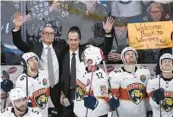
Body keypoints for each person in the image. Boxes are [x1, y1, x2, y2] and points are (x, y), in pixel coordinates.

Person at [12, 12, 66, 108]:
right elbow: (19, 43)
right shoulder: (34, 46)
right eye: (46, 33)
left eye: (51, 33)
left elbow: (74, 46)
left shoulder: (60, 47)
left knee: (57, 112)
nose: (49, 35)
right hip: (39, 89)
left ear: (54, 35)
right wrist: (17, 28)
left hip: (56, 89)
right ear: (42, 35)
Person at [73, 45, 117, 117]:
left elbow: (105, 96)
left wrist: (96, 103)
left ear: (93, 60)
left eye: (86, 58)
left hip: (94, 114)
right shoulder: (80, 67)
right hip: (78, 111)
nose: (83, 59)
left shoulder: (101, 77)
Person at [109, 47, 151, 117]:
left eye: (133, 54)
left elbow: (149, 92)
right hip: (123, 113)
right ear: (122, 58)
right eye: (128, 54)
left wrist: (150, 109)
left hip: (142, 113)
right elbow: (112, 93)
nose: (131, 55)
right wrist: (111, 98)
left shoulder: (145, 72)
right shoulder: (115, 74)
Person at [15, 52, 56, 117]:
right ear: (25, 64)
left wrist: (51, 107)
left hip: (45, 113)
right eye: (31, 60)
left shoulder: (44, 74)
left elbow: (47, 94)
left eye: (35, 59)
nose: (35, 62)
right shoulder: (21, 81)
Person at [60, 26, 85, 117]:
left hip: (83, 93)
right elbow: (59, 75)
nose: (73, 42)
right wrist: (61, 93)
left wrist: (108, 33)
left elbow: (104, 49)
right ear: (67, 41)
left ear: (79, 40)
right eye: (71, 40)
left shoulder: (85, 53)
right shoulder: (62, 55)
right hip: (67, 94)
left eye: (75, 40)